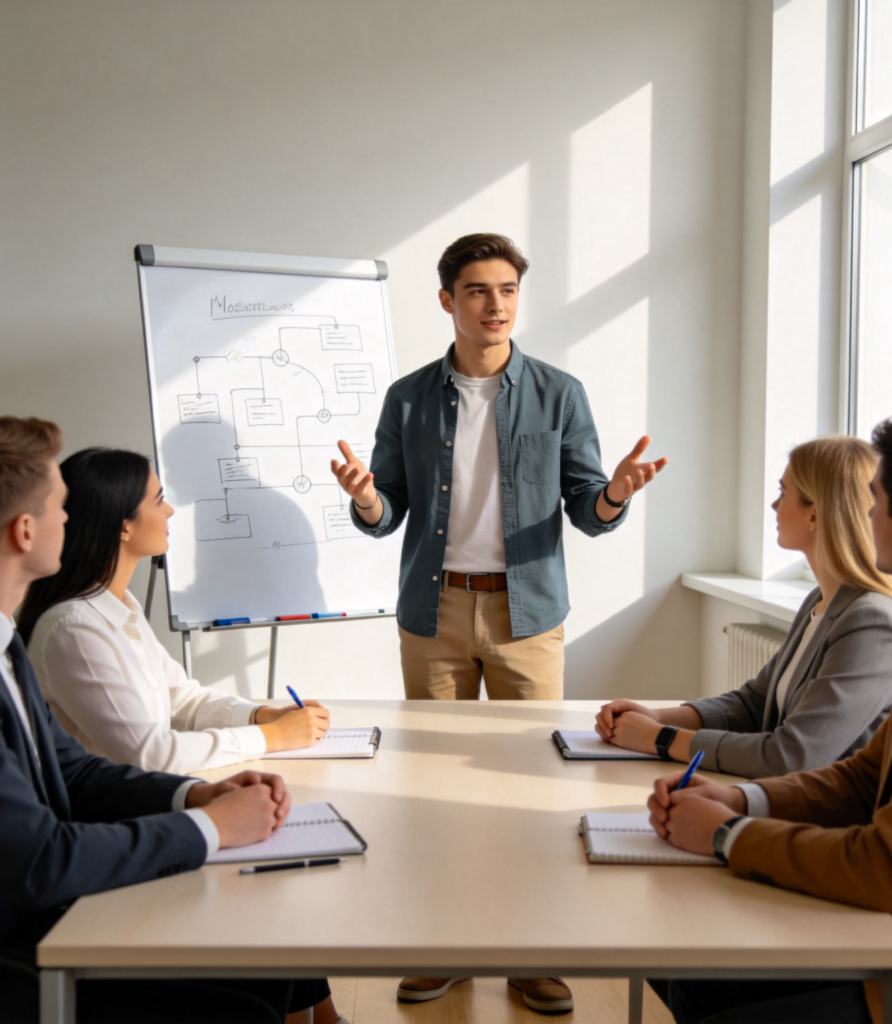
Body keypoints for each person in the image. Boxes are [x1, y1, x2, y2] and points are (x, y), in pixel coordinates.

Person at [330, 232, 666, 1013]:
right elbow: (386, 514)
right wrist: (364, 495)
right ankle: (441, 949)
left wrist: (613, 490)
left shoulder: (559, 392)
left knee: (533, 793)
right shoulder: (409, 397)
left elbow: (589, 512)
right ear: (447, 301)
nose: (496, 304)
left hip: (529, 614)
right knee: (434, 793)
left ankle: (531, 957)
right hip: (434, 609)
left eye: (508, 288)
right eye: (478, 290)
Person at [0, 416, 343, 1024]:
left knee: (268, 956)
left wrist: (197, 795)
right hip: (7, 958)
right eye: (59, 506)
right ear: (23, 531)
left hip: (52, 910)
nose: (69, 517)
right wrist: (214, 826)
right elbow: (40, 859)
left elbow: (77, 772)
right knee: (250, 992)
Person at [647, 409, 892, 1024]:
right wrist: (740, 800)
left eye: (874, 501)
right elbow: (862, 777)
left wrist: (726, 835)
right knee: (683, 971)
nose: (864, 512)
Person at [595, 436, 892, 776]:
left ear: (816, 514)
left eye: (783, 493)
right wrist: (657, 717)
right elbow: (755, 703)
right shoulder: (822, 600)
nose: (774, 506)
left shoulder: (873, 622)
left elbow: (791, 756)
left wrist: (661, 739)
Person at [18, 447, 330, 773]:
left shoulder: (122, 607)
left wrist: (262, 716)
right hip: (108, 816)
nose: (169, 511)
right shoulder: (73, 628)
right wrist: (271, 737)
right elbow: (148, 754)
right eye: (157, 500)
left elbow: (184, 702)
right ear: (123, 526)